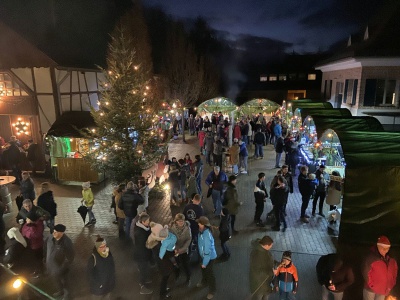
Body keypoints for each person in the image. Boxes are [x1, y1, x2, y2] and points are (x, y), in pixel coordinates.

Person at [44, 224, 75, 299]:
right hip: (51, 266)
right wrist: (45, 259)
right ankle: (60, 291)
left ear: (62, 233)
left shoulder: (67, 242)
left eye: (56, 232)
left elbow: (70, 257)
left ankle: (67, 296)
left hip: (61, 268)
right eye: (54, 231)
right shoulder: (50, 238)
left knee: (65, 282)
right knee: (56, 280)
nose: (53, 233)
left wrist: (62, 267)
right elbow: (45, 248)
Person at [362, 235, 398, 300]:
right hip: (371, 290)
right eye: (383, 248)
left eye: (387, 248)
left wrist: (391, 283)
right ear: (378, 247)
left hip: (383, 290)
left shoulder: (391, 260)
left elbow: (394, 272)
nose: (385, 250)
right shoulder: (371, 258)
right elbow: (365, 272)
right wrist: (372, 285)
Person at [196, 216, 217, 300]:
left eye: (199, 223)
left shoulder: (206, 235)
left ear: (203, 224)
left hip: (209, 258)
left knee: (210, 274)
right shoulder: (201, 231)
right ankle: (204, 282)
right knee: (203, 270)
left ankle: (212, 290)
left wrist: (204, 263)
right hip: (203, 256)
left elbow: (207, 252)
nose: (198, 224)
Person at [249, 235, 276, 300]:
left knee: (265, 297)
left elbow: (269, 261)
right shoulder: (257, 255)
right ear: (266, 245)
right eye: (271, 245)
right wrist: (271, 272)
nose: (271, 246)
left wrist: (278, 263)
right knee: (258, 297)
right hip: (259, 285)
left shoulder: (264, 251)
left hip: (266, 283)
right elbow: (257, 272)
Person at [133, 212, 153, 295]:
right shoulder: (140, 232)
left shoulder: (142, 228)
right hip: (141, 255)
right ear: (142, 222)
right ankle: (142, 286)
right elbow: (146, 244)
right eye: (147, 221)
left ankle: (145, 280)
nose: (149, 223)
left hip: (143, 253)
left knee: (144, 269)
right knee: (142, 270)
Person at [169, 213, 192, 286]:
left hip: (184, 250)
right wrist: (175, 248)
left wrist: (182, 249)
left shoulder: (187, 228)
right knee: (176, 264)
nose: (181, 223)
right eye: (179, 221)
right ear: (175, 221)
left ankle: (188, 278)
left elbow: (189, 239)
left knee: (186, 265)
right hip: (175, 250)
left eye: (182, 221)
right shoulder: (171, 228)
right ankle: (177, 275)